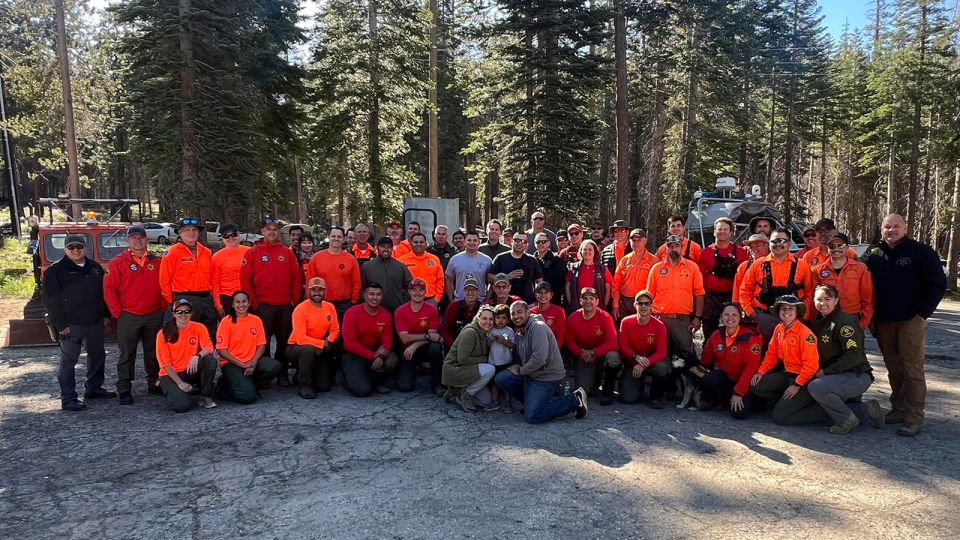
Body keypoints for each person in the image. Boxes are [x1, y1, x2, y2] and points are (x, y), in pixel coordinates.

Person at [864, 213, 946, 437]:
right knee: (894, 368)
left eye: (896, 226)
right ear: (882, 229)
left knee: (912, 369)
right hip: (883, 322)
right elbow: (868, 289)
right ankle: (898, 409)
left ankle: (914, 417)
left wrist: (922, 314)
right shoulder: (875, 255)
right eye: (887, 227)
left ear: (905, 227)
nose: (892, 230)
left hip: (910, 320)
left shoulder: (920, 252)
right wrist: (871, 318)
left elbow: (938, 284)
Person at [44, 234, 113, 411]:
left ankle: (94, 388)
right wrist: (60, 324)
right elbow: (51, 301)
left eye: (79, 247)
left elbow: (102, 294)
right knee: (68, 361)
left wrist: (106, 314)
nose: (76, 250)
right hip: (70, 325)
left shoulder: (95, 267)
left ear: (86, 248)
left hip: (95, 322)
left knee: (98, 356)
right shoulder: (55, 270)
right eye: (72, 247)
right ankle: (68, 398)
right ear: (65, 249)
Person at [807, 285, 884, 434]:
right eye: (819, 300)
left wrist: (827, 371)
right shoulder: (818, 322)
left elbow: (854, 356)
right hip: (837, 376)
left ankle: (846, 419)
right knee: (817, 397)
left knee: (816, 387)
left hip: (856, 374)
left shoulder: (844, 323)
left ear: (836, 301)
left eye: (827, 299)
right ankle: (867, 411)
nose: (823, 303)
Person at [494, 301, 588, 423]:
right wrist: (517, 366)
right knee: (502, 378)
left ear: (528, 312)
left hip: (546, 376)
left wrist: (521, 370)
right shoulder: (519, 333)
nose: (516, 316)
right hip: (532, 373)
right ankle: (531, 403)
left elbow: (539, 359)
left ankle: (574, 400)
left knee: (532, 416)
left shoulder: (537, 327)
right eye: (513, 314)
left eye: (519, 312)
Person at [104, 225, 165, 404]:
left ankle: (154, 383)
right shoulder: (117, 263)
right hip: (128, 315)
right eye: (134, 238)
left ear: (147, 240)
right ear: (127, 241)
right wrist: (118, 314)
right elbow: (109, 291)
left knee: (153, 351)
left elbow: (164, 286)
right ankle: (124, 388)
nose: (138, 241)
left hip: (154, 314)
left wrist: (162, 308)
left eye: (141, 238)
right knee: (126, 354)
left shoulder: (157, 261)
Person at [241, 217, 303, 387]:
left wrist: (293, 301)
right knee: (264, 342)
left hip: (285, 306)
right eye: (268, 229)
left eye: (275, 229)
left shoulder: (287, 253)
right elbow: (245, 280)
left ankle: (282, 373)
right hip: (263, 307)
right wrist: (254, 304)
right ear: (262, 231)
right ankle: (265, 376)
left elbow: (297, 279)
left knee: (284, 342)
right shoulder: (252, 252)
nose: (272, 232)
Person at [749, 295, 820, 425]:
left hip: (804, 381)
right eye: (783, 308)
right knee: (755, 385)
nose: (786, 312)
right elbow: (772, 354)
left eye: (790, 308)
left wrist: (797, 385)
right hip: (787, 374)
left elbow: (811, 366)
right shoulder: (779, 329)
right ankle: (784, 403)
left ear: (797, 312)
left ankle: (820, 412)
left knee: (780, 417)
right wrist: (760, 372)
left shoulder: (805, 334)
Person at [739, 227, 813, 342]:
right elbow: (744, 291)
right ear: (769, 244)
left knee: (791, 354)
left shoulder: (802, 266)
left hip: (793, 318)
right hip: (764, 318)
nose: (778, 244)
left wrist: (804, 317)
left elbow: (809, 294)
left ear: (789, 243)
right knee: (765, 352)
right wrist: (753, 314)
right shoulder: (758, 265)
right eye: (774, 241)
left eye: (782, 241)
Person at [697, 303, 761, 418]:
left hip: (744, 382)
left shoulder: (751, 338)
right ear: (721, 317)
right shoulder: (717, 335)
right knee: (707, 378)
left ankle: (752, 401)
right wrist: (696, 372)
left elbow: (751, 368)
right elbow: (706, 359)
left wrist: (738, 393)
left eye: (734, 315)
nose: (730, 318)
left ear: (740, 317)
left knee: (738, 414)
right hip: (726, 379)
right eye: (726, 315)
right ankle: (724, 401)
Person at [215, 291, 281, 404]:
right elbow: (221, 350)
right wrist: (243, 364)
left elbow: (261, 345)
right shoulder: (226, 322)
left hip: (251, 360)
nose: (241, 305)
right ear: (232, 304)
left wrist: (253, 362)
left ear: (249, 303)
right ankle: (223, 388)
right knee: (248, 398)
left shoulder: (256, 320)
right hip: (232, 363)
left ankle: (248, 383)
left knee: (274, 366)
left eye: (244, 301)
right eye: (238, 302)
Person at [645, 235, 705, 356]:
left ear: (682, 248)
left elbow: (699, 293)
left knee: (686, 355)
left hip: (683, 320)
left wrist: (698, 317)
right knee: (659, 354)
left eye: (676, 246)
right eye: (670, 246)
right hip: (660, 319)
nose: (673, 249)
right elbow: (648, 295)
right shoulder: (656, 269)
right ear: (666, 249)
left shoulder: (692, 267)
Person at [160, 217, 217, 340]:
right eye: (187, 230)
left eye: (194, 230)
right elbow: (164, 280)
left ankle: (205, 358)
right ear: (180, 233)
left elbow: (212, 278)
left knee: (208, 336)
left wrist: (214, 301)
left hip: (206, 299)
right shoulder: (172, 252)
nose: (191, 233)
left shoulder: (206, 252)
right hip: (184, 298)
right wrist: (172, 302)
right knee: (182, 335)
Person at [156, 298, 218, 412]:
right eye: (179, 312)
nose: (183, 315)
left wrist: (197, 356)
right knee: (182, 406)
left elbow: (209, 347)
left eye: (187, 311)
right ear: (174, 314)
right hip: (170, 373)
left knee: (210, 360)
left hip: (190, 368)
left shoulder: (199, 327)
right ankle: (180, 390)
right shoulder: (163, 333)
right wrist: (180, 383)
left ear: (191, 313)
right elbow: (165, 364)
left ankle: (205, 396)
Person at [341, 283, 400, 396]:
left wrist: (380, 356)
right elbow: (349, 344)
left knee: (392, 360)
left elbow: (387, 340)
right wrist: (373, 356)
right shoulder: (351, 313)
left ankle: (379, 381)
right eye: (371, 294)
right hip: (354, 355)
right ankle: (349, 377)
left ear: (382, 297)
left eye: (378, 294)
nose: (375, 297)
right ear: (365, 296)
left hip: (375, 352)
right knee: (362, 391)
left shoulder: (385, 315)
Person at [565, 287, 620, 406]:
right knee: (583, 390)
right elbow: (569, 341)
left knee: (613, 357)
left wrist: (594, 352)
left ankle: (607, 392)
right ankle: (594, 381)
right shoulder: (573, 318)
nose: (588, 301)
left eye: (591, 298)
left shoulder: (605, 317)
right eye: (585, 298)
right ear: (580, 301)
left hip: (601, 355)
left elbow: (613, 342)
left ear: (597, 301)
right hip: (584, 356)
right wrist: (580, 353)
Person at [287, 278, 340, 399]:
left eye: (320, 290)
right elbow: (300, 338)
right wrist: (322, 343)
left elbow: (335, 330)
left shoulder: (330, 307)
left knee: (324, 386)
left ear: (325, 291)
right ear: (308, 292)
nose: (317, 293)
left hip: (318, 348)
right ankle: (304, 386)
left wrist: (329, 341)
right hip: (296, 348)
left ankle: (300, 374)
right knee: (308, 350)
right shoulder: (300, 309)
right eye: (313, 290)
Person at [697, 217, 749, 340]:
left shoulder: (741, 252)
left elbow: (745, 277)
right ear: (714, 232)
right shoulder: (706, 252)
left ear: (731, 232)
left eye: (726, 229)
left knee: (733, 327)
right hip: (711, 297)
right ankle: (709, 353)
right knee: (709, 328)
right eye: (719, 229)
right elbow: (699, 277)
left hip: (732, 297)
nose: (722, 232)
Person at [811, 232, 874, 329]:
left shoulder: (860, 268)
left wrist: (863, 322)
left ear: (847, 247)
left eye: (840, 245)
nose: (836, 249)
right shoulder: (817, 270)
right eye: (832, 246)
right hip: (826, 318)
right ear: (828, 248)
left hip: (852, 317)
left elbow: (868, 298)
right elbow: (813, 297)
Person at [618, 291, 670, 407]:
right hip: (633, 362)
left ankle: (656, 397)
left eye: (647, 303)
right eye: (640, 303)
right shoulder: (626, 322)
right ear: (635, 305)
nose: (643, 306)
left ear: (652, 305)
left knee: (662, 367)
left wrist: (643, 364)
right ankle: (637, 385)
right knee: (627, 399)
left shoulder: (659, 325)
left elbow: (662, 353)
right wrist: (636, 357)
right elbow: (623, 346)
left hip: (651, 362)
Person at [442, 305, 497, 411]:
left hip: (467, 368)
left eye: (491, 319)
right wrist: (483, 359)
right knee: (490, 369)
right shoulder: (470, 332)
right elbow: (462, 359)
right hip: (455, 368)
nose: (488, 322)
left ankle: (456, 393)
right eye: (484, 318)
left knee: (485, 401)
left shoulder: (483, 333)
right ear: (478, 318)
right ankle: (466, 394)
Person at [394, 278, 444, 393]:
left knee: (436, 347)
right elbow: (405, 338)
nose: (417, 293)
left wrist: (415, 345)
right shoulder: (400, 311)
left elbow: (434, 336)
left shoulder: (432, 309)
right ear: (409, 292)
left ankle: (437, 383)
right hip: (407, 350)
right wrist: (427, 336)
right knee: (405, 387)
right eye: (414, 290)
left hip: (424, 348)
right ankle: (412, 369)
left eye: (421, 290)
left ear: (425, 292)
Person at [307, 225, 361, 322]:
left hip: (344, 304)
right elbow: (309, 283)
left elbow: (356, 283)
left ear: (344, 239)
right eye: (333, 236)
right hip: (322, 303)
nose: (336, 239)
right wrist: (311, 302)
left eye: (339, 237)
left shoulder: (351, 260)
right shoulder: (316, 258)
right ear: (329, 237)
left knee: (342, 334)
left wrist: (353, 302)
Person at [612, 228, 658, 320]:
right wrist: (615, 303)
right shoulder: (624, 260)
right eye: (634, 240)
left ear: (645, 241)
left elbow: (658, 285)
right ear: (630, 241)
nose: (636, 242)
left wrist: (654, 306)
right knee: (625, 328)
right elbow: (616, 283)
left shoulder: (654, 261)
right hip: (625, 302)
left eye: (639, 240)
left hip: (644, 302)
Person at [361, 236, 414, 312]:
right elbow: (362, 288)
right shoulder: (367, 266)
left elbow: (411, 286)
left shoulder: (400, 266)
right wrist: (367, 301)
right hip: (373, 310)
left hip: (396, 309)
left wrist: (402, 300)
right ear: (377, 248)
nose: (386, 249)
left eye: (389, 247)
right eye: (383, 246)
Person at [489, 231, 543, 303]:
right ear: (512, 241)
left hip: (527, 303)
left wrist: (536, 301)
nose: (520, 243)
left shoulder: (532, 260)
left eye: (523, 241)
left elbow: (540, 282)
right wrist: (506, 277)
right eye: (517, 240)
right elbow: (489, 277)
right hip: (503, 302)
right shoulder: (500, 258)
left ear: (527, 244)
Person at [211, 224, 250, 316]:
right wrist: (218, 305)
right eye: (226, 236)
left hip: (247, 297)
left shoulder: (250, 252)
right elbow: (214, 282)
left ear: (238, 235)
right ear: (222, 239)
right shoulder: (217, 257)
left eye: (233, 234)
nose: (231, 238)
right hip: (227, 298)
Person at [565, 239, 612, 313]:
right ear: (581, 251)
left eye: (590, 249)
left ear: (595, 252)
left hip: (597, 308)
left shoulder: (603, 269)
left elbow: (608, 289)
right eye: (584, 249)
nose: (587, 252)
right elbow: (567, 286)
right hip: (578, 307)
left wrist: (604, 305)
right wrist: (571, 302)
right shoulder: (574, 267)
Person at [445, 231, 493, 303]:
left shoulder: (487, 260)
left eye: (475, 240)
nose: (472, 243)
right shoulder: (454, 259)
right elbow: (449, 281)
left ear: (479, 242)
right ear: (464, 242)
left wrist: (486, 300)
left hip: (480, 302)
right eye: (469, 240)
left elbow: (491, 283)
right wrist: (451, 300)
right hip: (459, 301)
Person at [399, 232, 445, 305]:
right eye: (415, 242)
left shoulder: (434, 259)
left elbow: (440, 280)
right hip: (409, 302)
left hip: (430, 301)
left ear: (425, 244)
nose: (418, 244)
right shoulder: (402, 260)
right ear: (411, 243)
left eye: (421, 242)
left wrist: (437, 299)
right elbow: (399, 282)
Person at [486, 304, 517, 409]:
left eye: (503, 318)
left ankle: (508, 402)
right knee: (494, 382)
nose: (500, 320)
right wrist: (491, 340)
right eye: (498, 317)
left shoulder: (509, 331)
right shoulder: (491, 330)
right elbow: (487, 346)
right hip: (493, 361)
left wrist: (504, 342)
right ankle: (494, 401)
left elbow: (513, 345)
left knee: (505, 383)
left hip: (506, 361)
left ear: (508, 320)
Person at [441, 277, 482, 347]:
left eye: (473, 290)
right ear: (464, 291)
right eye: (467, 290)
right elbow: (443, 328)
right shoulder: (454, 306)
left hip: (474, 346)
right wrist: (452, 344)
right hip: (455, 344)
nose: (470, 293)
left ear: (478, 291)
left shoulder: (481, 309)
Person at [732, 233, 769, 306]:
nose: (753, 249)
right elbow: (736, 295)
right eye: (751, 247)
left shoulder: (775, 263)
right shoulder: (744, 266)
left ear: (767, 245)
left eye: (757, 245)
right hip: (749, 309)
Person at [533, 232, 566, 306]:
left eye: (543, 242)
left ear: (548, 243)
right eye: (538, 242)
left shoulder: (557, 260)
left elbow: (561, 284)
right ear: (534, 244)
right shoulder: (531, 260)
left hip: (553, 301)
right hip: (534, 302)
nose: (540, 244)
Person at [529, 282, 566, 346]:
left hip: (553, 350)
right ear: (535, 295)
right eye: (540, 292)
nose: (543, 295)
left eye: (546, 292)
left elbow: (560, 336)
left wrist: (554, 352)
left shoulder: (559, 311)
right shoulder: (529, 312)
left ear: (551, 295)